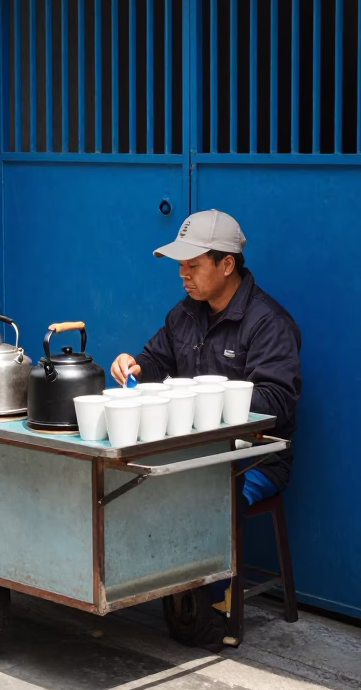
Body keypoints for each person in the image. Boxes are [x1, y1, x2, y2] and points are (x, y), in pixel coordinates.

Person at [111, 209, 301, 502]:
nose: (182, 274)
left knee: (188, 504)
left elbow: (276, 401)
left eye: (193, 265)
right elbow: (157, 361)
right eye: (180, 265)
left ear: (226, 265)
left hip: (253, 461)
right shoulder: (184, 313)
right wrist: (135, 367)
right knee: (124, 488)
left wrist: (207, 397)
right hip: (189, 452)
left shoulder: (269, 324)